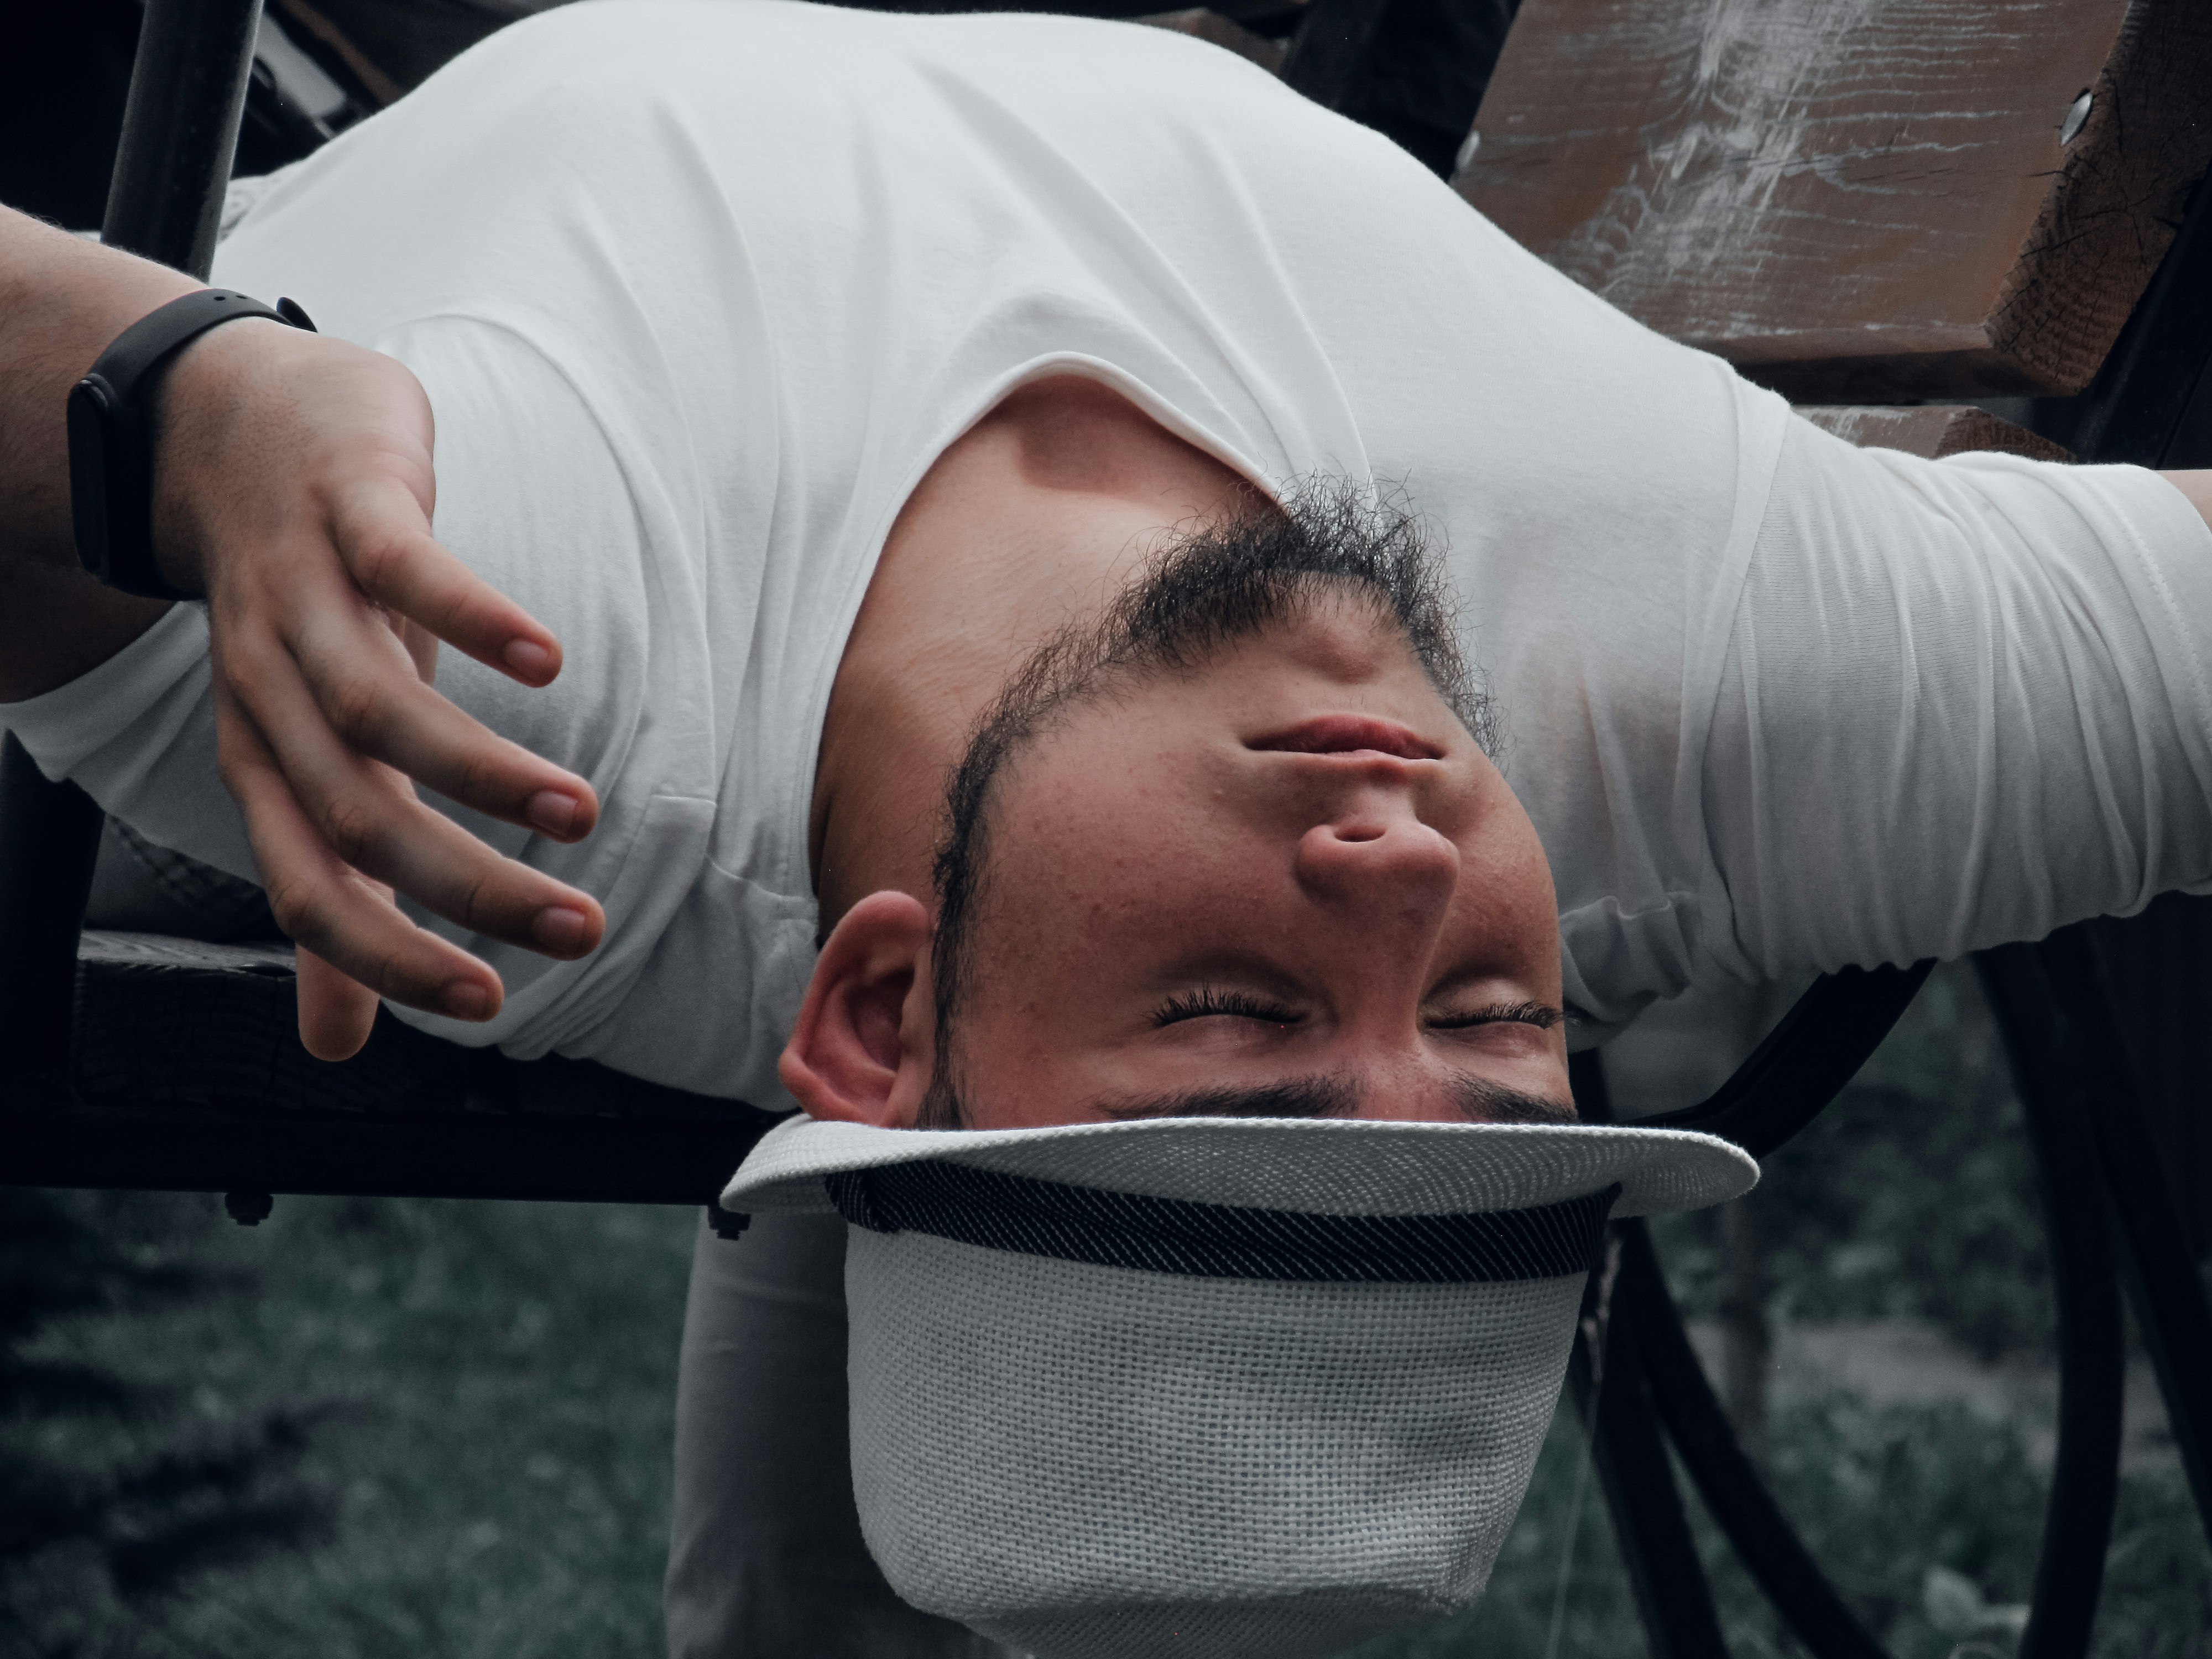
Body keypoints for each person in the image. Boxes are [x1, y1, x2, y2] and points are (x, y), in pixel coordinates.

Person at [4, 2, 2210, 1651]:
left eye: (1237, 1011)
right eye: (1497, 1023)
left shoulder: (495, 703)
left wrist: (188, 408)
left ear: (875, 1013)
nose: (1406, 868)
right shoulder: (1708, 725)